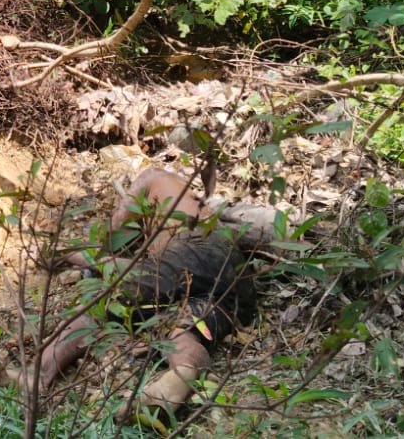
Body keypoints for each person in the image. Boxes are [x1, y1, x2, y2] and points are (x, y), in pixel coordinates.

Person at [25, 167, 257, 416]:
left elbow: (110, 243)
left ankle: (37, 374)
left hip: (198, 249)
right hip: (238, 284)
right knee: (183, 328)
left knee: (105, 300)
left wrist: (64, 253)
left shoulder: (153, 178)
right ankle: (180, 376)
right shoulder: (196, 207)